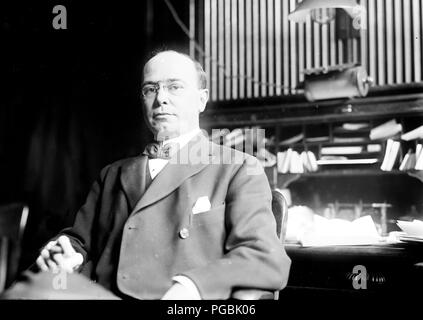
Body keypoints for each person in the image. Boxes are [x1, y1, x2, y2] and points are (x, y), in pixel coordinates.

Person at [4, 50, 291, 300]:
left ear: (201, 100)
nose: (161, 99)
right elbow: (79, 239)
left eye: (175, 87)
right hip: (101, 294)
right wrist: (69, 255)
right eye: (150, 89)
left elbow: (263, 256)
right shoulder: (113, 174)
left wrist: (194, 286)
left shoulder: (236, 167)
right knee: (29, 287)